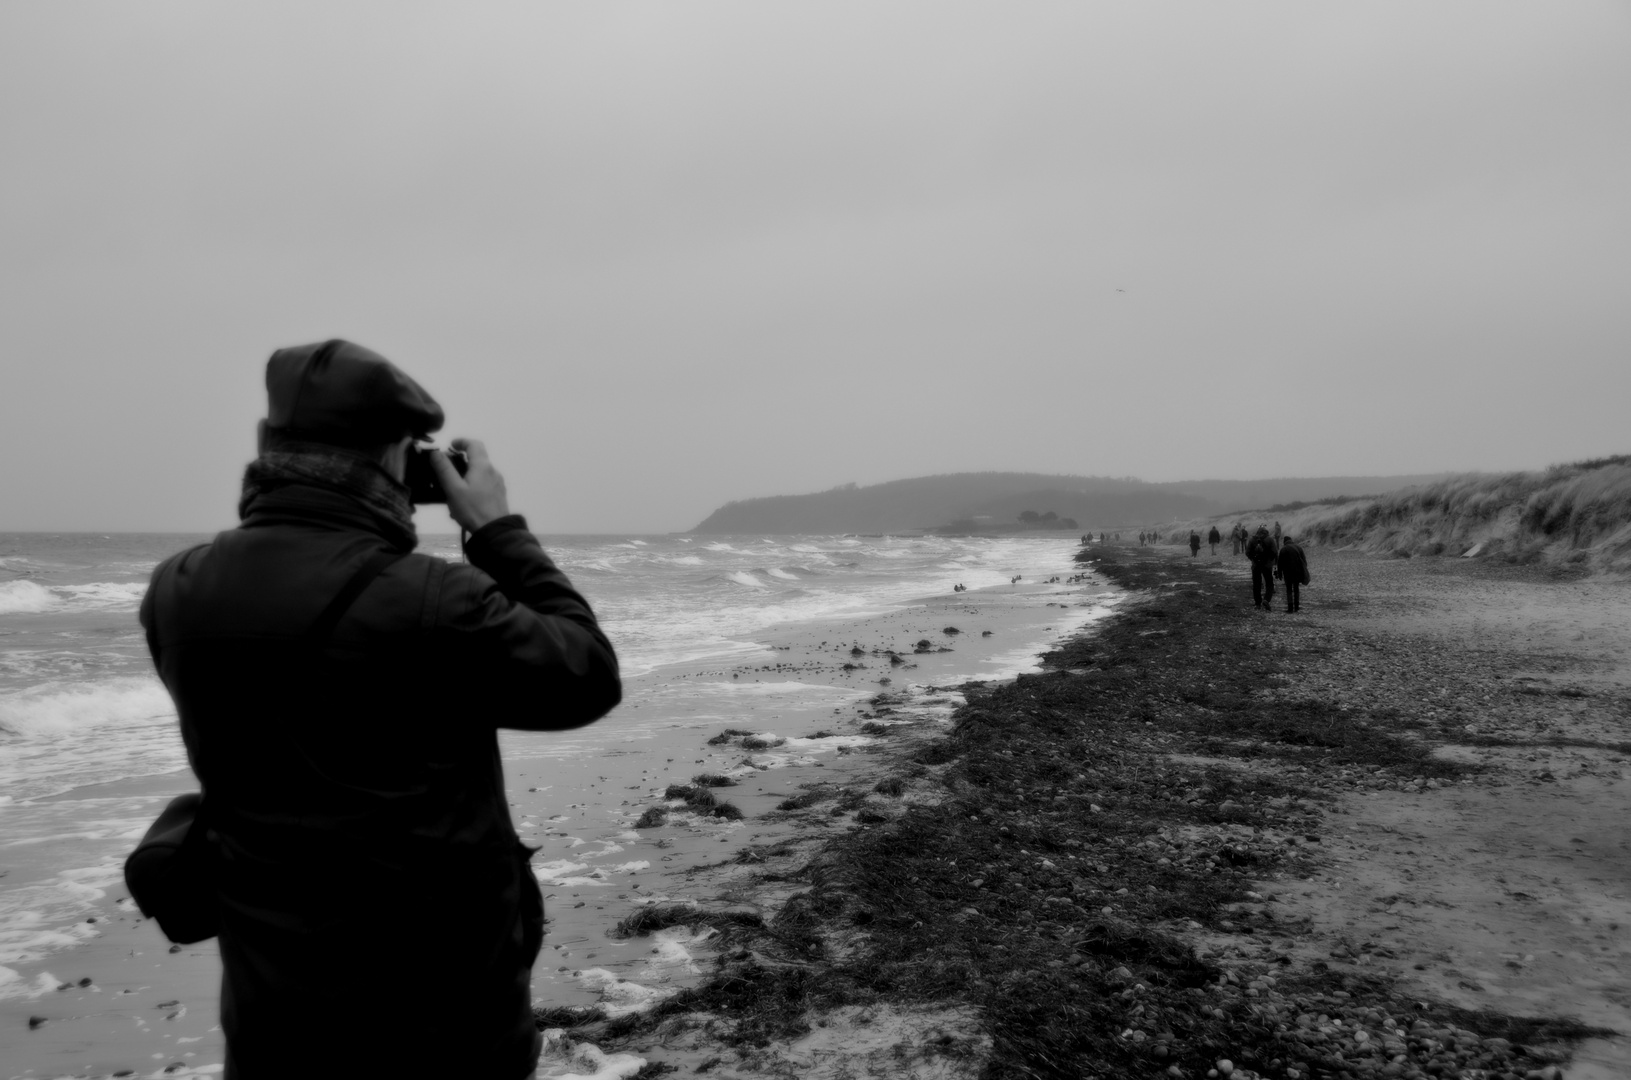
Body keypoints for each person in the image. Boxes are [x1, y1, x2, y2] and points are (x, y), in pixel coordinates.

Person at [138, 340, 622, 1080]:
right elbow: (584, 675)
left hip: (271, 1026)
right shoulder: (437, 601)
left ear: (267, 445)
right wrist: (497, 530)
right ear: (399, 459)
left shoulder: (178, 591)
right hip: (443, 1028)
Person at [1245, 525, 1277, 610]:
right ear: (1266, 532)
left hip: (1256, 565)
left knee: (1256, 584)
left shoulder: (1252, 540)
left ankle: (1257, 603)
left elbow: (1247, 552)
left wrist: (1253, 559)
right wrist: (1270, 560)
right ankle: (1266, 599)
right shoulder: (1270, 539)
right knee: (1269, 583)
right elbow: (1274, 552)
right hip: (1266, 565)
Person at [1276, 534, 1308, 613]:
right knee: (1296, 588)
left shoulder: (1284, 549)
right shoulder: (1299, 548)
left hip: (1288, 572)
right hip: (1298, 571)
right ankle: (1296, 607)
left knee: (1289, 589)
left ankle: (1290, 608)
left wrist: (1279, 574)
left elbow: (1280, 563)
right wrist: (1303, 571)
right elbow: (1304, 561)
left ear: (1284, 542)